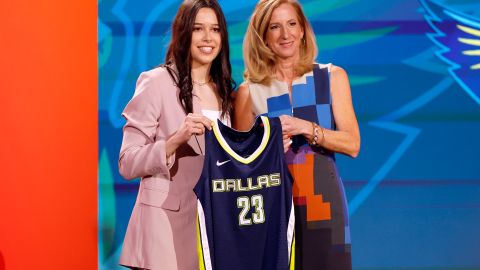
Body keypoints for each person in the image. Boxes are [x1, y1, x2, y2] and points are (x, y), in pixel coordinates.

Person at [234, 0, 360, 269]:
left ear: (303, 29)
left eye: (292, 24)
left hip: (324, 210)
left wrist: (307, 128)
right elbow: (239, 168)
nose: (285, 34)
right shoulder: (248, 93)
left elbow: (352, 144)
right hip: (273, 211)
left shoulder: (331, 77)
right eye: (275, 27)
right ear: (263, 37)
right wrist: (266, 151)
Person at [118, 0, 234, 269]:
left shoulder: (226, 93)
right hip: (163, 232)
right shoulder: (156, 81)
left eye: (215, 30)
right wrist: (173, 141)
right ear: (184, 33)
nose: (208, 38)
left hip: (208, 231)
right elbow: (127, 162)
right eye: (198, 29)